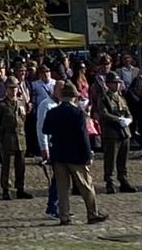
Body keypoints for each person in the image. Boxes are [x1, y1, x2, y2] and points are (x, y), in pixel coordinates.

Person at [41, 81, 108, 227]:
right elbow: (83, 136)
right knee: (85, 185)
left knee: (62, 188)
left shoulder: (53, 112)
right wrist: (88, 155)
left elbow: (45, 129)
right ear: (74, 97)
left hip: (58, 154)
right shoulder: (77, 113)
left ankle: (64, 217)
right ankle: (92, 213)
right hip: (76, 155)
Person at [0, 78, 31, 200]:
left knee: (21, 165)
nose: (13, 90)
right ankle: (6, 189)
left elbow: (23, 118)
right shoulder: (1, 104)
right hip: (8, 138)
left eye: (15, 87)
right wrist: (1, 133)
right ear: (6, 89)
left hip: (20, 137)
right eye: (10, 88)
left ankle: (20, 188)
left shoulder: (21, 102)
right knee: (7, 166)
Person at [96, 72, 135, 194]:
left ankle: (123, 179)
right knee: (111, 159)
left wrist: (128, 120)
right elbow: (104, 114)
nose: (117, 85)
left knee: (123, 159)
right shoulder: (103, 98)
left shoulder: (121, 98)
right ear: (108, 84)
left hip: (124, 132)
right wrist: (118, 119)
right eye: (114, 83)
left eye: (118, 83)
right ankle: (110, 182)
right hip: (111, 132)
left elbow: (128, 112)